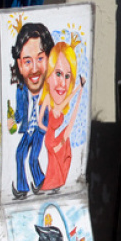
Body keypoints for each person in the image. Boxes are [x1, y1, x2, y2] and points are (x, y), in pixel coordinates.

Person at [8, 22, 55, 199]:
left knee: (33, 156)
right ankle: (22, 188)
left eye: (40, 58)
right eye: (27, 61)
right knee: (20, 153)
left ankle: (41, 181)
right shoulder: (21, 89)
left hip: (40, 127)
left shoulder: (50, 87)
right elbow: (20, 111)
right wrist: (13, 119)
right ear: (19, 64)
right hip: (28, 127)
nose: (34, 68)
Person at [36, 35, 86, 193]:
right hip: (50, 139)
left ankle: (53, 184)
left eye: (67, 76)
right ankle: (52, 183)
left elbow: (65, 104)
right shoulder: (49, 100)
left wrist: (79, 89)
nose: (63, 83)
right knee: (66, 134)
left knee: (66, 136)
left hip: (51, 138)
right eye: (58, 73)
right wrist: (45, 128)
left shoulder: (56, 104)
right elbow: (40, 121)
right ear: (48, 74)